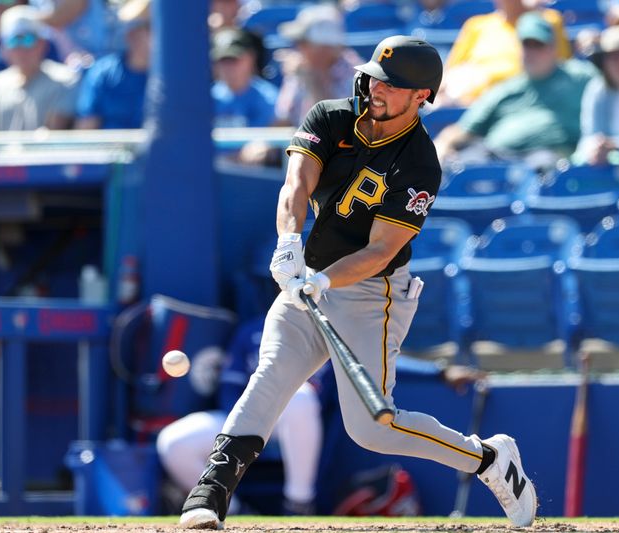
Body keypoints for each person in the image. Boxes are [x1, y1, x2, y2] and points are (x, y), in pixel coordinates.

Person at [177, 35, 537, 530]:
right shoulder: (330, 115)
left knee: (373, 428)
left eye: (392, 85)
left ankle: (489, 460)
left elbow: (381, 250)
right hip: (308, 274)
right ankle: (210, 492)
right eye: (375, 76)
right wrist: (289, 242)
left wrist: (324, 280)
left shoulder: (419, 162)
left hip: (374, 293)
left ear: (421, 96)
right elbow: (296, 185)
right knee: (273, 374)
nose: (375, 87)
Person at [157, 317, 324, 516]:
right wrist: (246, 426)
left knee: (300, 396)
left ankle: (299, 504)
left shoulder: (325, 329)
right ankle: (231, 510)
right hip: (250, 418)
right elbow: (229, 388)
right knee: (174, 441)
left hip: (291, 422)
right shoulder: (253, 330)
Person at [434, 12, 596, 169]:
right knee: (460, 164)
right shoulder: (507, 89)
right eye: (527, 45)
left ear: (553, 47)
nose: (532, 52)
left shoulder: (579, 77)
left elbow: (613, 87)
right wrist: (442, 146)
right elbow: (463, 130)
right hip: (494, 158)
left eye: (538, 45)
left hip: (548, 160)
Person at [436, 0, 571, 106]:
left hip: (529, 102)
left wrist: (533, 10)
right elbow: (447, 76)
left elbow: (563, 68)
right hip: (473, 103)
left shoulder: (546, 21)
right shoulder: (476, 25)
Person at [0, 4, 78, 132]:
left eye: (28, 39)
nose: (21, 49)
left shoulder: (65, 81)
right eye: (13, 41)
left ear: (42, 44)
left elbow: (52, 131)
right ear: (3, 47)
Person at [273, 3, 363, 127]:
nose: (298, 47)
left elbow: (333, 126)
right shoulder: (301, 67)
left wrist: (311, 80)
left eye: (303, 42)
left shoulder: (357, 77)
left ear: (325, 48)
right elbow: (282, 121)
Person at [74, 0, 149, 129]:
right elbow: (86, 128)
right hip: (108, 149)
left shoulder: (173, 76)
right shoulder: (103, 72)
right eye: (147, 27)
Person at [575, 24, 619, 166]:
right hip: (612, 170)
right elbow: (589, 136)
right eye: (610, 57)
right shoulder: (597, 90)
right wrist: (595, 150)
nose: (617, 63)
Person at [211, 27, 278, 128]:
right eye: (223, 61)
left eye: (233, 60)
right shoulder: (208, 98)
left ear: (251, 58)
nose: (228, 67)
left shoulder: (269, 99)